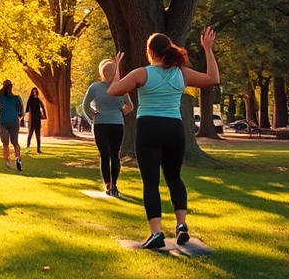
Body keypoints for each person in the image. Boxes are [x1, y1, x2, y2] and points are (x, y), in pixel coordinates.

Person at [108, 27, 219, 249]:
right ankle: (181, 225)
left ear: (149, 51)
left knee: (150, 182)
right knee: (174, 178)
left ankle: (156, 232)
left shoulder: (141, 73)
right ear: (167, 49)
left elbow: (113, 91)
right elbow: (212, 79)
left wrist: (117, 68)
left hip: (149, 127)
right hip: (174, 129)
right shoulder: (182, 73)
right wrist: (208, 49)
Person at [82, 59, 134, 196]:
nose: (110, 73)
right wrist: (92, 115)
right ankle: (108, 184)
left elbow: (130, 105)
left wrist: (122, 111)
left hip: (117, 124)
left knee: (115, 155)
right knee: (105, 155)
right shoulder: (95, 87)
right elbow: (85, 105)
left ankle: (114, 184)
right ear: (103, 72)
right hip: (100, 124)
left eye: (113, 70)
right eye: (107, 71)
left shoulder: (121, 87)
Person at [0, 80, 24, 172]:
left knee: (5, 143)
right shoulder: (16, 98)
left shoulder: (0, 96)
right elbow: (20, 112)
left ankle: (7, 162)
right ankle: (18, 158)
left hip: (3, 122)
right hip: (14, 121)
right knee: (15, 142)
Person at [25, 88, 47, 153]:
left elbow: (42, 107)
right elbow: (27, 109)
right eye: (33, 92)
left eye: (35, 92)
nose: (34, 93)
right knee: (30, 134)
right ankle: (27, 148)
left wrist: (44, 115)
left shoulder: (38, 100)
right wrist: (26, 116)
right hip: (32, 119)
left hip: (37, 119)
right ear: (32, 92)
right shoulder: (30, 100)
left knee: (38, 135)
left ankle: (38, 149)